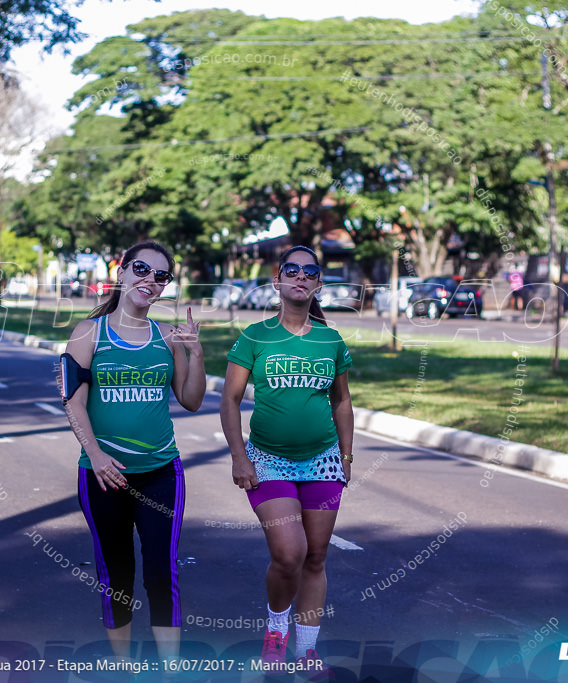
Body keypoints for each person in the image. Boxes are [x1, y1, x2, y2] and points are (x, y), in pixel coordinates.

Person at [61, 241, 205, 667]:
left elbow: (191, 399)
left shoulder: (166, 337)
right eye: (142, 269)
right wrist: (97, 455)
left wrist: (196, 353)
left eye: (162, 276)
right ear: (121, 272)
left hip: (161, 473)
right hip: (103, 476)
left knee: (162, 573)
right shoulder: (89, 332)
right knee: (116, 576)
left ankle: (171, 672)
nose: (151, 280)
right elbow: (73, 402)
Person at [220, 245, 353, 679]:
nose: (300, 277)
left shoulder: (330, 340)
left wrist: (346, 456)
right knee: (289, 552)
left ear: (318, 284)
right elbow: (230, 399)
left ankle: (307, 650)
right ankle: (276, 627)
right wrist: (240, 457)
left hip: (322, 461)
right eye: (291, 270)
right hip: (268, 460)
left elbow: (342, 401)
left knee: (316, 557)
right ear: (278, 280)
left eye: (309, 272)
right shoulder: (255, 337)